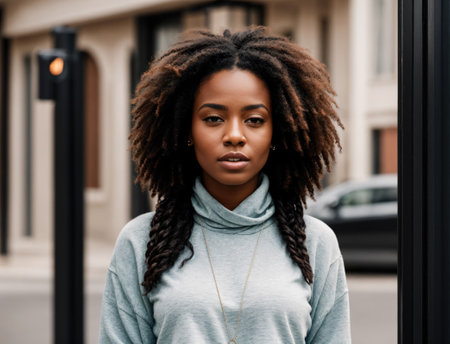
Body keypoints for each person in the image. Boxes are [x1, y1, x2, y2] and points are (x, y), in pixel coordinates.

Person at [99, 26, 351, 344]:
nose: (234, 135)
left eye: (255, 120)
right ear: (186, 130)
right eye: (213, 118)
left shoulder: (315, 244)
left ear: (279, 131)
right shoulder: (141, 243)